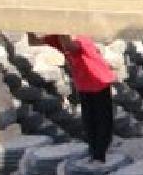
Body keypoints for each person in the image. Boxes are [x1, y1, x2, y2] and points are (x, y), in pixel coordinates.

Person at [28, 33, 116, 162]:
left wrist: (62, 31)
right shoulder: (60, 38)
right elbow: (34, 42)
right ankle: (94, 152)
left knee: (102, 120)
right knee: (89, 120)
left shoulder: (82, 38)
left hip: (99, 82)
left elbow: (71, 47)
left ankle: (99, 154)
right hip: (84, 85)